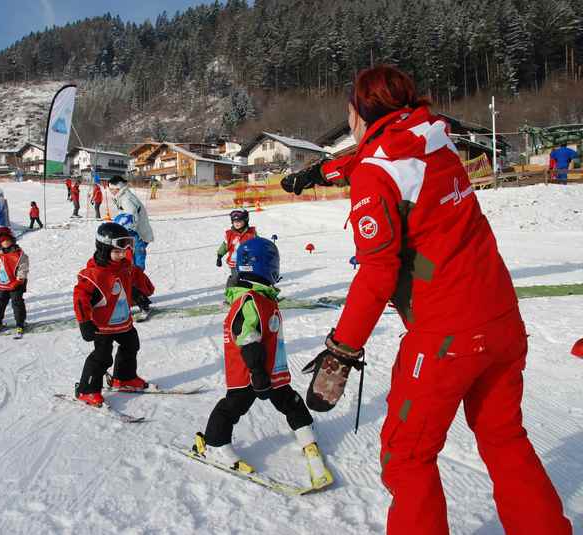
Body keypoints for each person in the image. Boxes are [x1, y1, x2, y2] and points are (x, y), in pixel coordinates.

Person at [287, 65, 571, 535]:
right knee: (505, 440)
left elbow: (378, 272)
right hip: (501, 319)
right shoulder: (437, 139)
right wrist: (325, 170)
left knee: (407, 456)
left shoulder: (378, 172)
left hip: (446, 337)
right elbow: (388, 154)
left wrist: (341, 350)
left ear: (357, 113)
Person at [192, 237, 331, 487]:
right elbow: (247, 338)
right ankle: (213, 444)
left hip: (271, 371)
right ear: (266, 266)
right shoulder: (250, 300)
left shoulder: (262, 297)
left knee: (289, 400)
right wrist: (256, 372)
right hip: (250, 372)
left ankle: (305, 429)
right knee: (233, 406)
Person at [73, 223, 155, 406]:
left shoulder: (125, 266)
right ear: (103, 249)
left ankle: (124, 378)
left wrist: (145, 288)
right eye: (117, 251)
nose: (122, 255)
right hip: (101, 326)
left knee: (131, 344)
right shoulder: (92, 275)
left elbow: (136, 277)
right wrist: (84, 322)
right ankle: (87, 390)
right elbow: (80, 297)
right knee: (102, 357)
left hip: (123, 321)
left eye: (124, 251)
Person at [0, 227, 29, 337]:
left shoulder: (19, 254)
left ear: (12, 241)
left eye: (7, 241)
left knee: (17, 303)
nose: (5, 243)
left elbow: (23, 268)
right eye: (3, 241)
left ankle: (20, 323)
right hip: (3, 284)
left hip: (16, 284)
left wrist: (20, 279)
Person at [108, 176, 154, 266]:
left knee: (137, 260)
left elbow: (131, 217)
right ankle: (132, 275)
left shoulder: (126, 199)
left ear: (117, 188)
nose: (110, 191)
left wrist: (120, 229)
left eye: (111, 189)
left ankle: (137, 277)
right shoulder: (121, 196)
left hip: (138, 234)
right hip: (132, 233)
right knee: (129, 258)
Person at [112, 213, 152, 315]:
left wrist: (136, 270)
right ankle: (121, 306)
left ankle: (144, 305)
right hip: (122, 270)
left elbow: (140, 259)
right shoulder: (122, 240)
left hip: (132, 272)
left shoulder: (136, 242)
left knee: (132, 289)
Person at [216, 209, 257, 292]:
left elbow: (258, 244)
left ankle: (250, 292)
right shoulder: (230, 234)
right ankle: (230, 294)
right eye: (234, 221)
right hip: (234, 262)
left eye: (239, 221)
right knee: (235, 277)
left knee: (250, 277)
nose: (237, 223)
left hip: (248, 261)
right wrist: (219, 256)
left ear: (245, 221)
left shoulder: (251, 234)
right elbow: (225, 246)